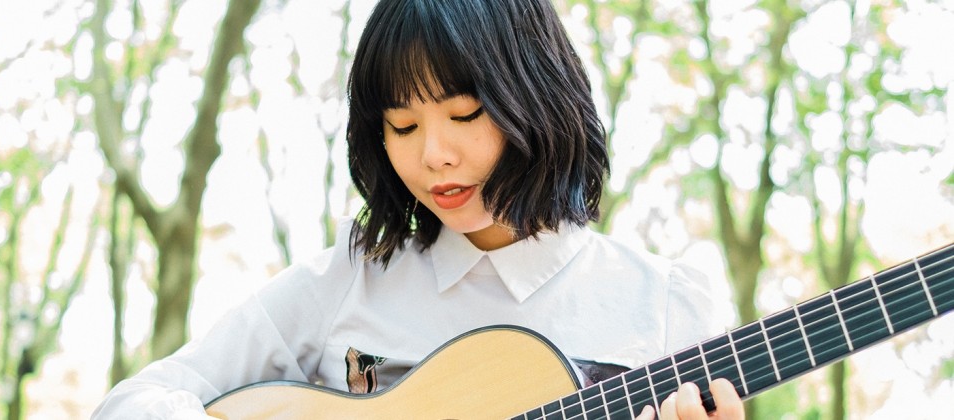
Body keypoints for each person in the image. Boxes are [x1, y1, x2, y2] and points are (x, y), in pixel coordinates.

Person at [93, 0, 745, 418]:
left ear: (540, 98)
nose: (433, 155)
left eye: (463, 114)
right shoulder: (347, 282)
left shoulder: (668, 307)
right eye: (402, 128)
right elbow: (130, 404)